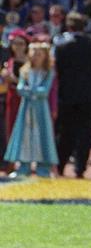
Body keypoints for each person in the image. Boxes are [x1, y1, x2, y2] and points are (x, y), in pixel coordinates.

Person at [55, 12, 91, 178]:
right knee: (85, 132)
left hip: (67, 94)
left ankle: (60, 165)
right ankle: (80, 167)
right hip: (88, 95)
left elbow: (58, 71)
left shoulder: (61, 46)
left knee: (66, 130)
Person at [4, 42, 58, 178]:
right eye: (33, 54)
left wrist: (31, 92)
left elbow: (44, 91)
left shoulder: (48, 72)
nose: (36, 57)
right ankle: (23, 165)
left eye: (39, 54)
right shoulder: (25, 71)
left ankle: (43, 166)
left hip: (41, 109)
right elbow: (20, 88)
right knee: (25, 135)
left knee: (41, 135)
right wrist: (30, 92)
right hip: (26, 108)